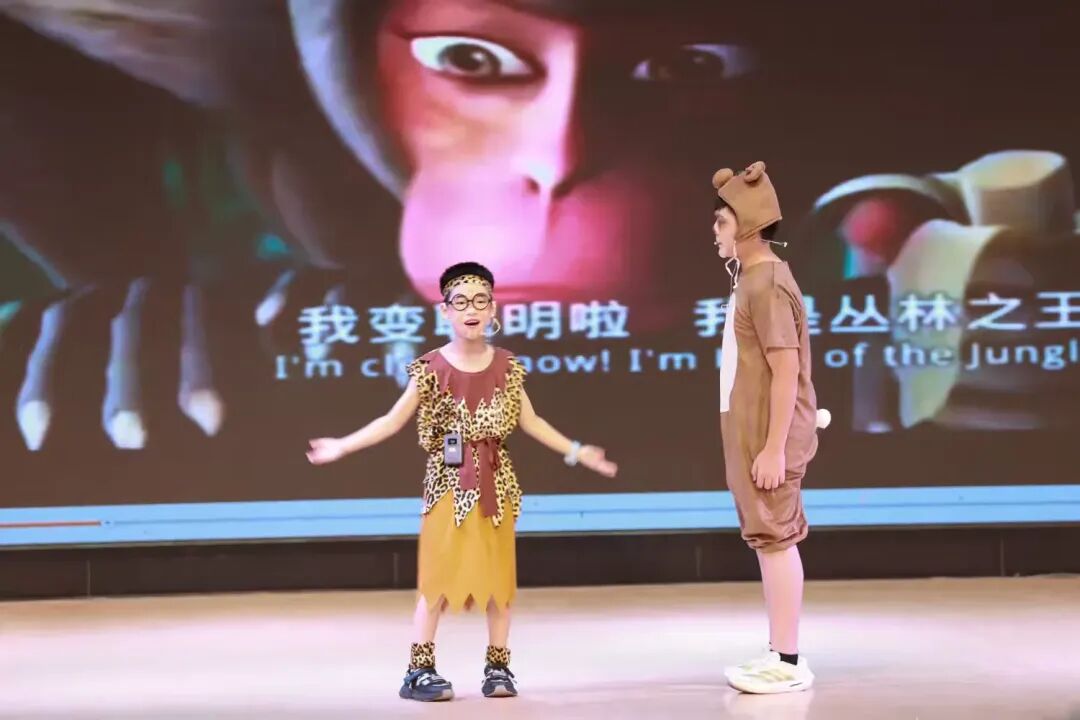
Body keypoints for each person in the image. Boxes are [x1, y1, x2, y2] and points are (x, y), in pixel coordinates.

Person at [305, 261, 618, 702]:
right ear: (445, 310)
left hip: (497, 486)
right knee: (437, 578)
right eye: (461, 302)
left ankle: (498, 666)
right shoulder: (430, 368)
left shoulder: (508, 366)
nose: (471, 310)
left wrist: (577, 451)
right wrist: (343, 445)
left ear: (493, 309)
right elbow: (391, 421)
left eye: (480, 301)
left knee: (498, 581)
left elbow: (531, 421)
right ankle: (419, 669)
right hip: (447, 485)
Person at [711, 162, 826, 694]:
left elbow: (786, 368)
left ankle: (788, 658)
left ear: (749, 225)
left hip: (767, 436)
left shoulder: (768, 283)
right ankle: (779, 648)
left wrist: (775, 447)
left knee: (776, 538)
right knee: (766, 538)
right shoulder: (754, 280)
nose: (715, 231)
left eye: (722, 222)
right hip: (752, 430)